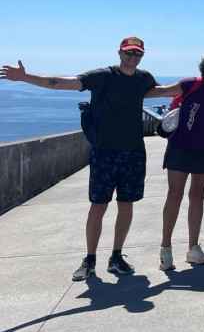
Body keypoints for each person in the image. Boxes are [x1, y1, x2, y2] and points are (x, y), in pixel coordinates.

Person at [1, 37, 158, 280]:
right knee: (98, 207)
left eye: (137, 53)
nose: (133, 57)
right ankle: (90, 259)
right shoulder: (102, 76)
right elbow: (58, 83)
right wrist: (25, 77)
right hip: (104, 152)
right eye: (129, 52)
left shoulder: (143, 78)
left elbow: (165, 91)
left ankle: (117, 256)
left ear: (143, 55)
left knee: (126, 205)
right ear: (119, 52)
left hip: (134, 153)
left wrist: (199, 83)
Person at [148, 52, 204, 270]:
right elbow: (160, 91)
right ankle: (165, 249)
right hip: (180, 147)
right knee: (175, 195)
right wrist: (128, 87)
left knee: (198, 196)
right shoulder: (190, 85)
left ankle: (193, 248)